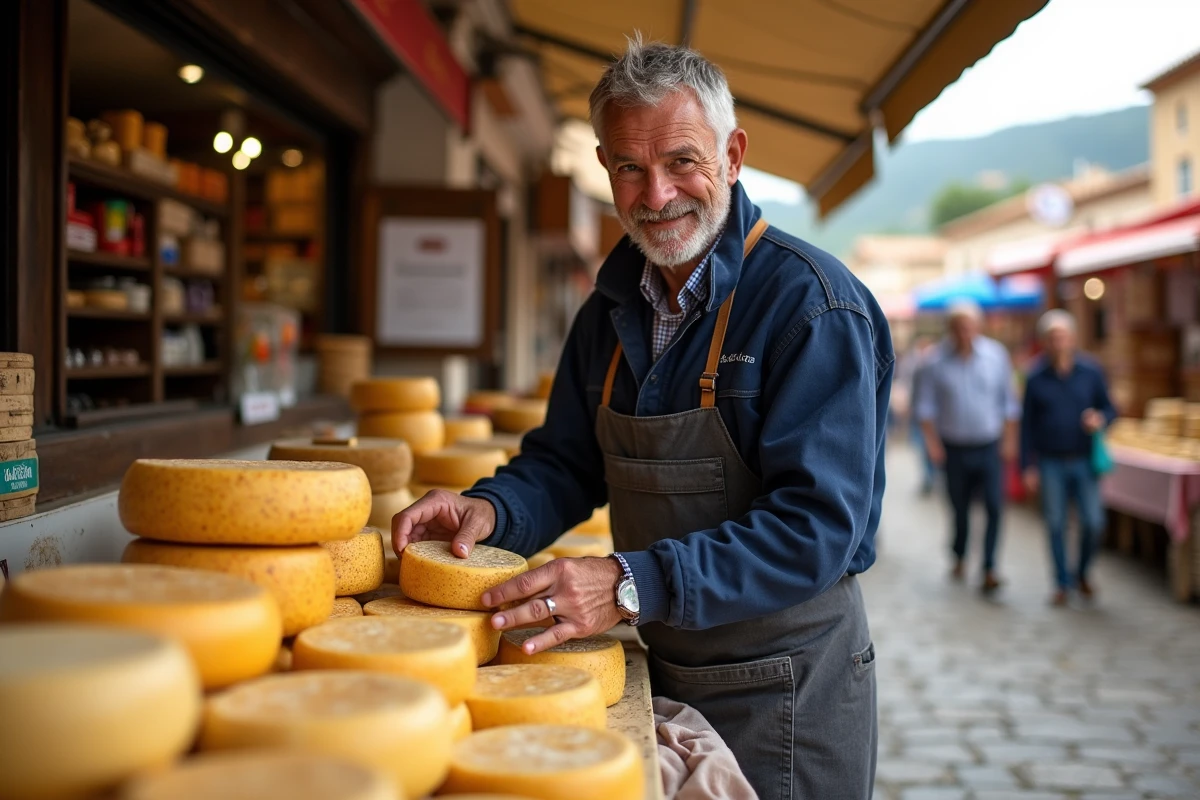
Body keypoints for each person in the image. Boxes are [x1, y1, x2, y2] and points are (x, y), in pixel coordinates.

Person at [393, 36, 891, 800]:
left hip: (788, 688)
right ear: (604, 168)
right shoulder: (609, 310)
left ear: (733, 154)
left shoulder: (811, 306)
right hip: (661, 664)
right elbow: (565, 462)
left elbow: (815, 528)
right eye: (630, 167)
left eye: (681, 161)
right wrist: (488, 510)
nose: (656, 195)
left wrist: (628, 582)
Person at [915, 299, 1019, 592]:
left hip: (989, 444)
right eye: (958, 328)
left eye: (969, 327)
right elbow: (925, 409)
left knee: (995, 507)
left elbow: (1009, 404)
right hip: (954, 447)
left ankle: (989, 567)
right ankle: (960, 554)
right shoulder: (934, 361)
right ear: (950, 329)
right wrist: (933, 445)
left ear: (978, 327)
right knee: (959, 509)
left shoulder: (996, 356)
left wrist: (1010, 441)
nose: (964, 333)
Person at [1020, 309, 1117, 606]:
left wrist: (1100, 417)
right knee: (1055, 523)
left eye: (1063, 336)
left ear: (1073, 339)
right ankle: (1062, 583)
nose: (1058, 342)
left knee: (1093, 522)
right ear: (1044, 342)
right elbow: (1027, 426)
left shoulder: (1091, 371)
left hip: (1084, 459)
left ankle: (1083, 572)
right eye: (1052, 337)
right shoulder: (1035, 376)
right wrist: (1027, 466)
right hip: (1050, 461)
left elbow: (1111, 408)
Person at [908, 336, 938, 495]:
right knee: (925, 448)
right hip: (922, 418)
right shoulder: (921, 368)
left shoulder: (929, 367)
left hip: (929, 418)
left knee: (927, 449)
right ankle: (929, 478)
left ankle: (931, 478)